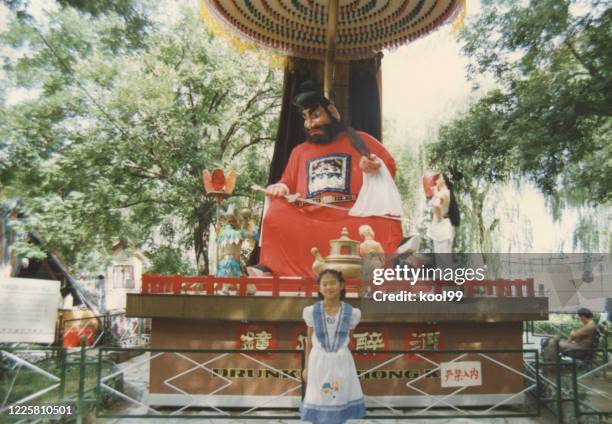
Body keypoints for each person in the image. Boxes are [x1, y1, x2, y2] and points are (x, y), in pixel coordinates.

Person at [250, 81, 403, 277]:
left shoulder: (360, 139)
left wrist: (374, 166)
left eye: (315, 115)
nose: (310, 124)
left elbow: (388, 165)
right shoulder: (299, 152)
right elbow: (287, 182)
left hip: (352, 219)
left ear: (332, 112)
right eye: (305, 118)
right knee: (276, 212)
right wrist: (280, 187)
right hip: (309, 221)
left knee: (385, 217)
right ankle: (272, 266)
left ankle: (392, 254)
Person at [301, 269, 365, 423]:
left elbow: (348, 340)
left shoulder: (352, 313)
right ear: (319, 288)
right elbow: (309, 341)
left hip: (342, 361)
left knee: (340, 397)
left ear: (341, 285)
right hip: (318, 361)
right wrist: (306, 367)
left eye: (333, 283)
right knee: (319, 397)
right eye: (325, 284)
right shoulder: (311, 312)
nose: (329, 287)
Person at [426, 173, 460, 254]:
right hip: (441, 228)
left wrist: (439, 218)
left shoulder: (444, 192)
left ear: (444, 180)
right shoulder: (442, 192)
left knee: (443, 262)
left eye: (439, 178)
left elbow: (437, 206)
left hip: (441, 229)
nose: (436, 180)